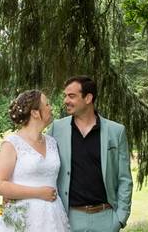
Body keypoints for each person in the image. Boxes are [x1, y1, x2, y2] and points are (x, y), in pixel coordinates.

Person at [48, 76, 132, 232]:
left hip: (106, 218)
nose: (66, 100)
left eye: (71, 96)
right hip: (68, 218)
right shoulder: (56, 129)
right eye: (65, 96)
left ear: (88, 98)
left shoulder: (116, 131)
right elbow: (42, 165)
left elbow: (124, 178)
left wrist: (120, 218)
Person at [0, 90, 71, 232]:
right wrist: (38, 193)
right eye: (47, 104)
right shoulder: (12, 143)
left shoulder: (52, 142)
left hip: (53, 216)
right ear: (35, 112)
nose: (51, 108)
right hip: (24, 218)